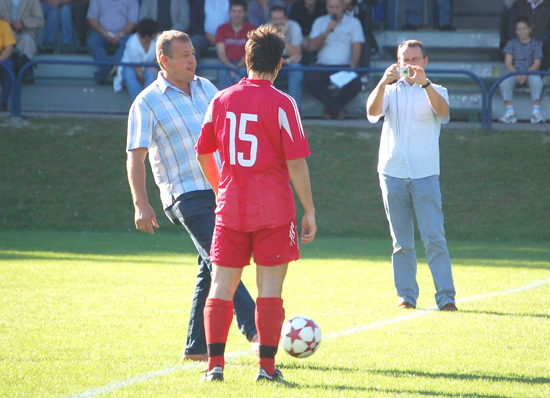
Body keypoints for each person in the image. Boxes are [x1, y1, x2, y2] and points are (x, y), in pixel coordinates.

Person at [126, 30, 258, 363]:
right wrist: (141, 203)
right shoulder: (146, 101)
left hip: (221, 189)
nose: (192, 60)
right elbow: (135, 157)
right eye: (183, 55)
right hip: (184, 195)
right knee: (223, 260)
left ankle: (196, 348)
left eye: (193, 53)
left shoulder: (208, 88)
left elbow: (227, 139)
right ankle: (256, 330)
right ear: (163, 61)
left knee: (208, 264)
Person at [196, 24, 316, 383]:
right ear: (280, 64)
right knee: (269, 291)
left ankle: (214, 366)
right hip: (274, 212)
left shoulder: (220, 99)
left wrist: (222, 188)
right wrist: (308, 209)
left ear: (245, 59)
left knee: (221, 286)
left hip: (231, 208)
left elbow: (203, 152)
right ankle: (265, 369)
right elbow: (296, 161)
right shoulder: (283, 103)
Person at [366, 39, 457, 312]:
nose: (410, 65)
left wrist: (425, 84)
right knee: (400, 242)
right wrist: (383, 81)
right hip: (392, 173)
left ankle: (446, 298)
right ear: (397, 62)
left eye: (415, 59)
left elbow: (444, 113)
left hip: (424, 175)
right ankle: (406, 296)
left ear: (425, 62)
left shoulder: (437, 89)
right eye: (405, 60)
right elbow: (371, 112)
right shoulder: (390, 91)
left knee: (434, 239)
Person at [305, 0, 364, 119]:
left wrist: (353, 67)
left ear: (343, 7)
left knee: (356, 84)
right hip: (323, 65)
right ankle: (337, 109)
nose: (334, 10)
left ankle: (331, 109)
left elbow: (357, 46)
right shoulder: (320, 22)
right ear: (327, 8)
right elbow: (312, 47)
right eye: (331, 7)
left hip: (344, 66)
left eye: (337, 7)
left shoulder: (353, 23)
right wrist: (327, 32)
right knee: (310, 80)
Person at [499, 16, 545, 124]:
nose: (522, 32)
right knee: (504, 82)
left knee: (537, 81)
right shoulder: (511, 43)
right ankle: (510, 112)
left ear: (529, 29)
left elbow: (537, 63)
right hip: (515, 72)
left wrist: (525, 73)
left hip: (530, 72)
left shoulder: (535, 44)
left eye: (524, 29)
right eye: (519, 29)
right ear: (516, 31)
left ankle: (536, 112)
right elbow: (508, 63)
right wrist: (517, 73)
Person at [86, 0, 139, 85]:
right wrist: (104, 32)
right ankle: (111, 71)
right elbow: (91, 18)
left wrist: (120, 34)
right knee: (92, 41)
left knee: (130, 43)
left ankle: (104, 73)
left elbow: (133, 21)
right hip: (101, 32)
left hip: (124, 33)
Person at [113, 18, 160, 100]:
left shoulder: (158, 38)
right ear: (146, 36)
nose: (156, 35)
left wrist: (154, 65)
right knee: (129, 75)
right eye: (154, 34)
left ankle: (149, 102)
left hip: (150, 64)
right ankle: (140, 102)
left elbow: (160, 54)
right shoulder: (132, 43)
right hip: (131, 65)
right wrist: (142, 84)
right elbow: (139, 72)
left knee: (152, 73)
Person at [215, 0, 255, 89]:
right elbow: (221, 52)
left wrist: (236, 67)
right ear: (229, 13)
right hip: (226, 64)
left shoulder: (252, 29)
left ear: (244, 13)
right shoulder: (221, 29)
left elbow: (250, 53)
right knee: (223, 72)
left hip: (244, 64)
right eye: (234, 11)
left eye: (240, 11)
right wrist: (230, 67)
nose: (237, 14)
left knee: (243, 73)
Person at [269, 5, 303, 108]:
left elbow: (297, 55)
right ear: (270, 20)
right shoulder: (265, 29)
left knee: (296, 69)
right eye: (275, 19)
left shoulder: (294, 27)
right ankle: (266, 109)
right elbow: (266, 58)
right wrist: (287, 61)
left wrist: (282, 38)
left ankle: (294, 108)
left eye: (281, 19)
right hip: (271, 65)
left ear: (286, 19)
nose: (278, 22)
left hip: (289, 64)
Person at [503, 0, 550, 70]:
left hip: (544, 51)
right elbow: (512, 28)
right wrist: (522, 42)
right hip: (518, 57)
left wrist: (543, 41)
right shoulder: (518, 5)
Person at [0, 0, 44, 66]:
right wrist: (2, 20)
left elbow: (40, 21)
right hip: (4, 34)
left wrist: (24, 23)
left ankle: (25, 69)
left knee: (27, 39)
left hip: (25, 33)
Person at [288, 0, 326, 64]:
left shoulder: (323, 7)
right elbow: (292, 27)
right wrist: (302, 39)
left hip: (319, 44)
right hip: (299, 44)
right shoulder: (296, 7)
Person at [0, 18, 15, 112]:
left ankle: (2, 102)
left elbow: (9, 49)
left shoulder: (4, 25)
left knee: (8, 65)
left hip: (1, 57)